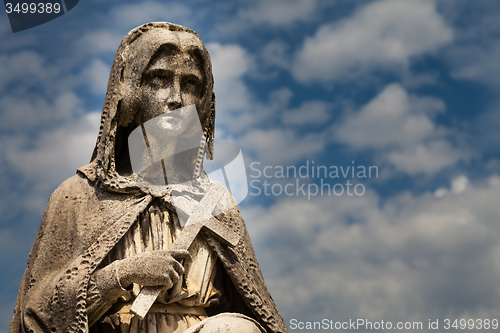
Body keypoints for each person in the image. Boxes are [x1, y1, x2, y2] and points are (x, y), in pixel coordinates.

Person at [10, 22, 287, 333]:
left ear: (203, 102)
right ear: (130, 93)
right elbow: (38, 314)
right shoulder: (79, 196)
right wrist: (122, 274)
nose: (176, 99)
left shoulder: (216, 201)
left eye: (191, 84)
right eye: (159, 79)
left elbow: (255, 306)